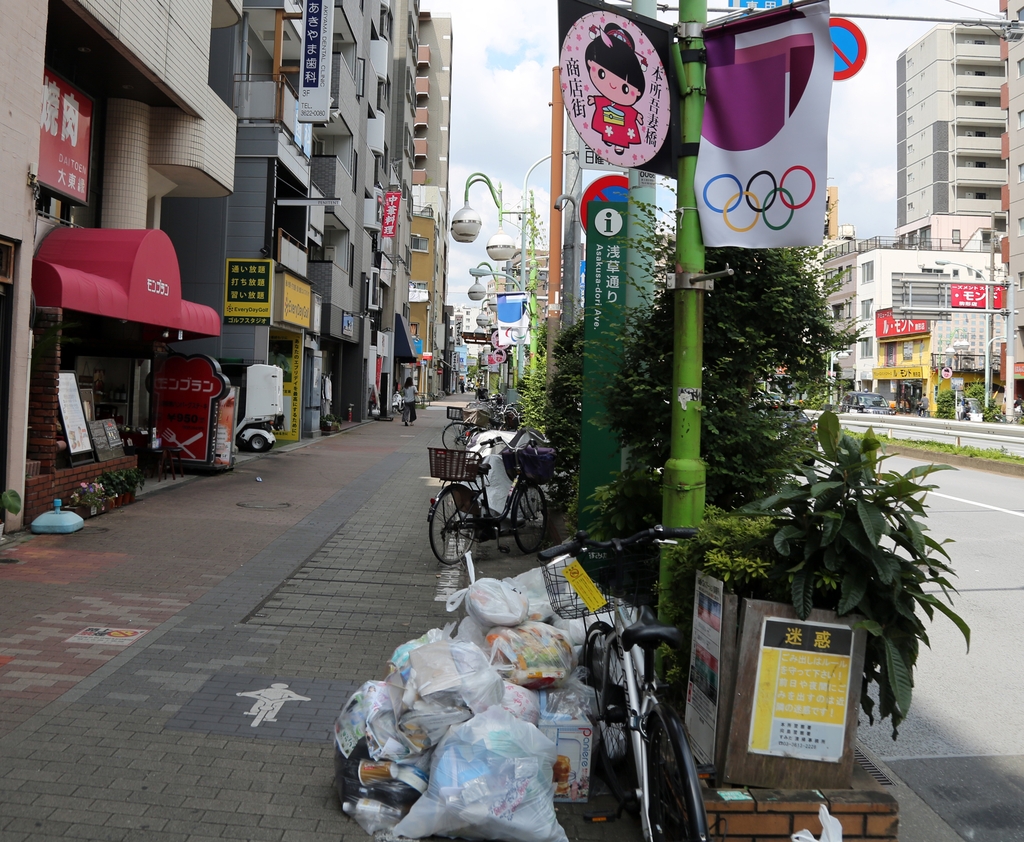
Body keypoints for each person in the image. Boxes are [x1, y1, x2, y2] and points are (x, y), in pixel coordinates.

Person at [585, 24, 647, 155]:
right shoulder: (606, 100)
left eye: (625, 88)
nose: (613, 86)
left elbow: (632, 111)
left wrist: (638, 116)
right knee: (607, 128)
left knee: (622, 134)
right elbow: (601, 100)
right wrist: (593, 99)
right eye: (602, 74)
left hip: (622, 120)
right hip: (609, 117)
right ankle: (608, 139)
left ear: (637, 92)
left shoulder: (627, 107)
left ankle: (619, 145)